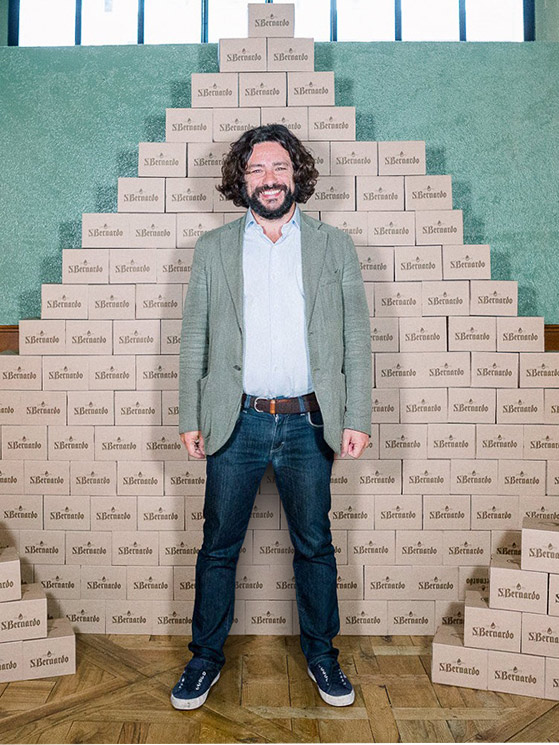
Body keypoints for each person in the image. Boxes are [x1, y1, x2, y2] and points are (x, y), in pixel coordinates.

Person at [172, 124, 372, 711]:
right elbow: (194, 338)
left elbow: (357, 339)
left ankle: (322, 656)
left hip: (310, 421)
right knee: (218, 546)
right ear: (241, 180)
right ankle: (204, 659)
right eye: (256, 169)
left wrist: (358, 414)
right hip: (236, 420)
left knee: (315, 545)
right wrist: (190, 414)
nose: (269, 179)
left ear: (296, 174)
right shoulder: (213, 248)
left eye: (279, 167)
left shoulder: (335, 246)